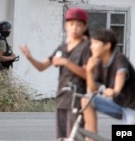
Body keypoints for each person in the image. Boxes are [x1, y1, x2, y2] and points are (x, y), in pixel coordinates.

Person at [20, 8, 91, 139]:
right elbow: (42, 67)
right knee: (61, 137)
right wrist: (29, 57)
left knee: (74, 137)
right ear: (66, 25)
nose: (74, 28)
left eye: (78, 25)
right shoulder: (62, 48)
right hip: (62, 98)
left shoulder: (87, 47)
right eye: (71, 24)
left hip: (77, 99)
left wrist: (66, 62)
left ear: (84, 27)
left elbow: (87, 74)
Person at [83, 28, 135, 136]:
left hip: (132, 108)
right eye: (91, 43)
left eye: (95, 43)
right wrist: (88, 71)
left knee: (123, 135)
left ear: (107, 45)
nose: (91, 46)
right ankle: (91, 135)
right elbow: (93, 90)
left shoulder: (119, 58)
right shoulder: (100, 63)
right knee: (86, 99)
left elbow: (121, 74)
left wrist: (115, 91)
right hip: (118, 105)